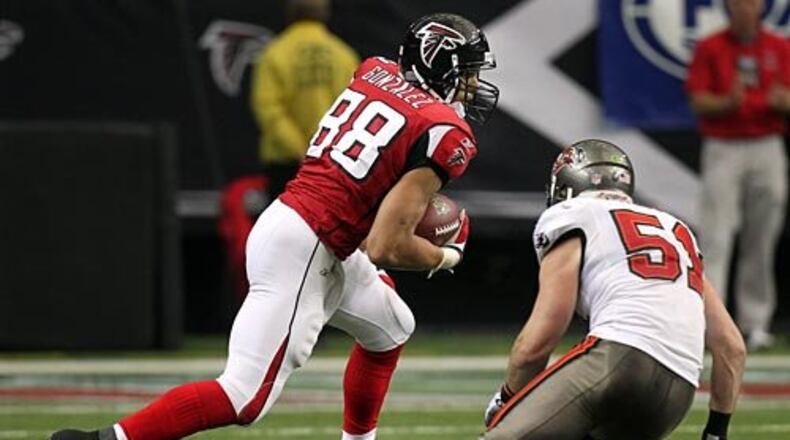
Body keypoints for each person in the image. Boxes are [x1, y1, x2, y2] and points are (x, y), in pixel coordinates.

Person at [51, 12, 499, 440]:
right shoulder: (444, 130)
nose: (474, 85)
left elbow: (367, 194)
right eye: (468, 72)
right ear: (441, 68)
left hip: (307, 227)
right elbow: (385, 245)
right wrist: (444, 255)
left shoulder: (375, 72)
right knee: (244, 397)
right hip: (308, 245)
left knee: (390, 327)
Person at [482, 140, 746, 440]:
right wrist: (716, 431)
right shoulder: (675, 230)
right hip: (679, 390)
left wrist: (508, 398)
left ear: (566, 185)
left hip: (620, 359)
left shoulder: (575, 214)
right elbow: (731, 346)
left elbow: (542, 336)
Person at [685, 0, 790, 351]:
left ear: (761, 7)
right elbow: (699, 100)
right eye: (739, 3)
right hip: (724, 145)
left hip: (767, 144)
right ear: (729, 7)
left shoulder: (779, 47)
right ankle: (709, 321)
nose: (746, 9)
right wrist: (727, 102)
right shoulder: (711, 47)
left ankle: (755, 322)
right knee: (716, 235)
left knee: (762, 236)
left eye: (752, 3)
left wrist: (782, 100)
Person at [251, 0, 359, 199]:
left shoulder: (275, 53)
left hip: (285, 164)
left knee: (282, 228)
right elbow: (355, 108)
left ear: (290, 14)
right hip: (331, 162)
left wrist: (300, 149)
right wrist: (323, 149)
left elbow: (269, 109)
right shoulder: (343, 54)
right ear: (325, 14)